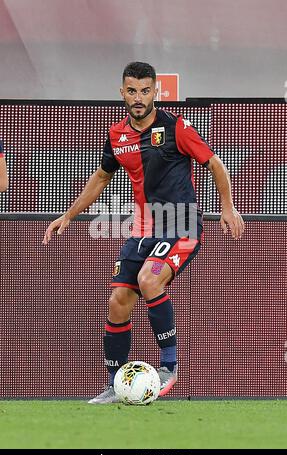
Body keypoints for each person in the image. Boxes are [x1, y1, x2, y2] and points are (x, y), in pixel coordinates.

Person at [43, 62, 245, 404]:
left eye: (145, 90)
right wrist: (68, 215)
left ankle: (169, 366)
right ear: (122, 92)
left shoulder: (176, 127)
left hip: (181, 223)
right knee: (117, 303)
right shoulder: (116, 135)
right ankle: (115, 383)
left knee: (151, 281)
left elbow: (214, 163)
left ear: (156, 92)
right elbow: (101, 178)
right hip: (143, 228)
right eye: (132, 90)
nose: (139, 97)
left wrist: (227, 206)